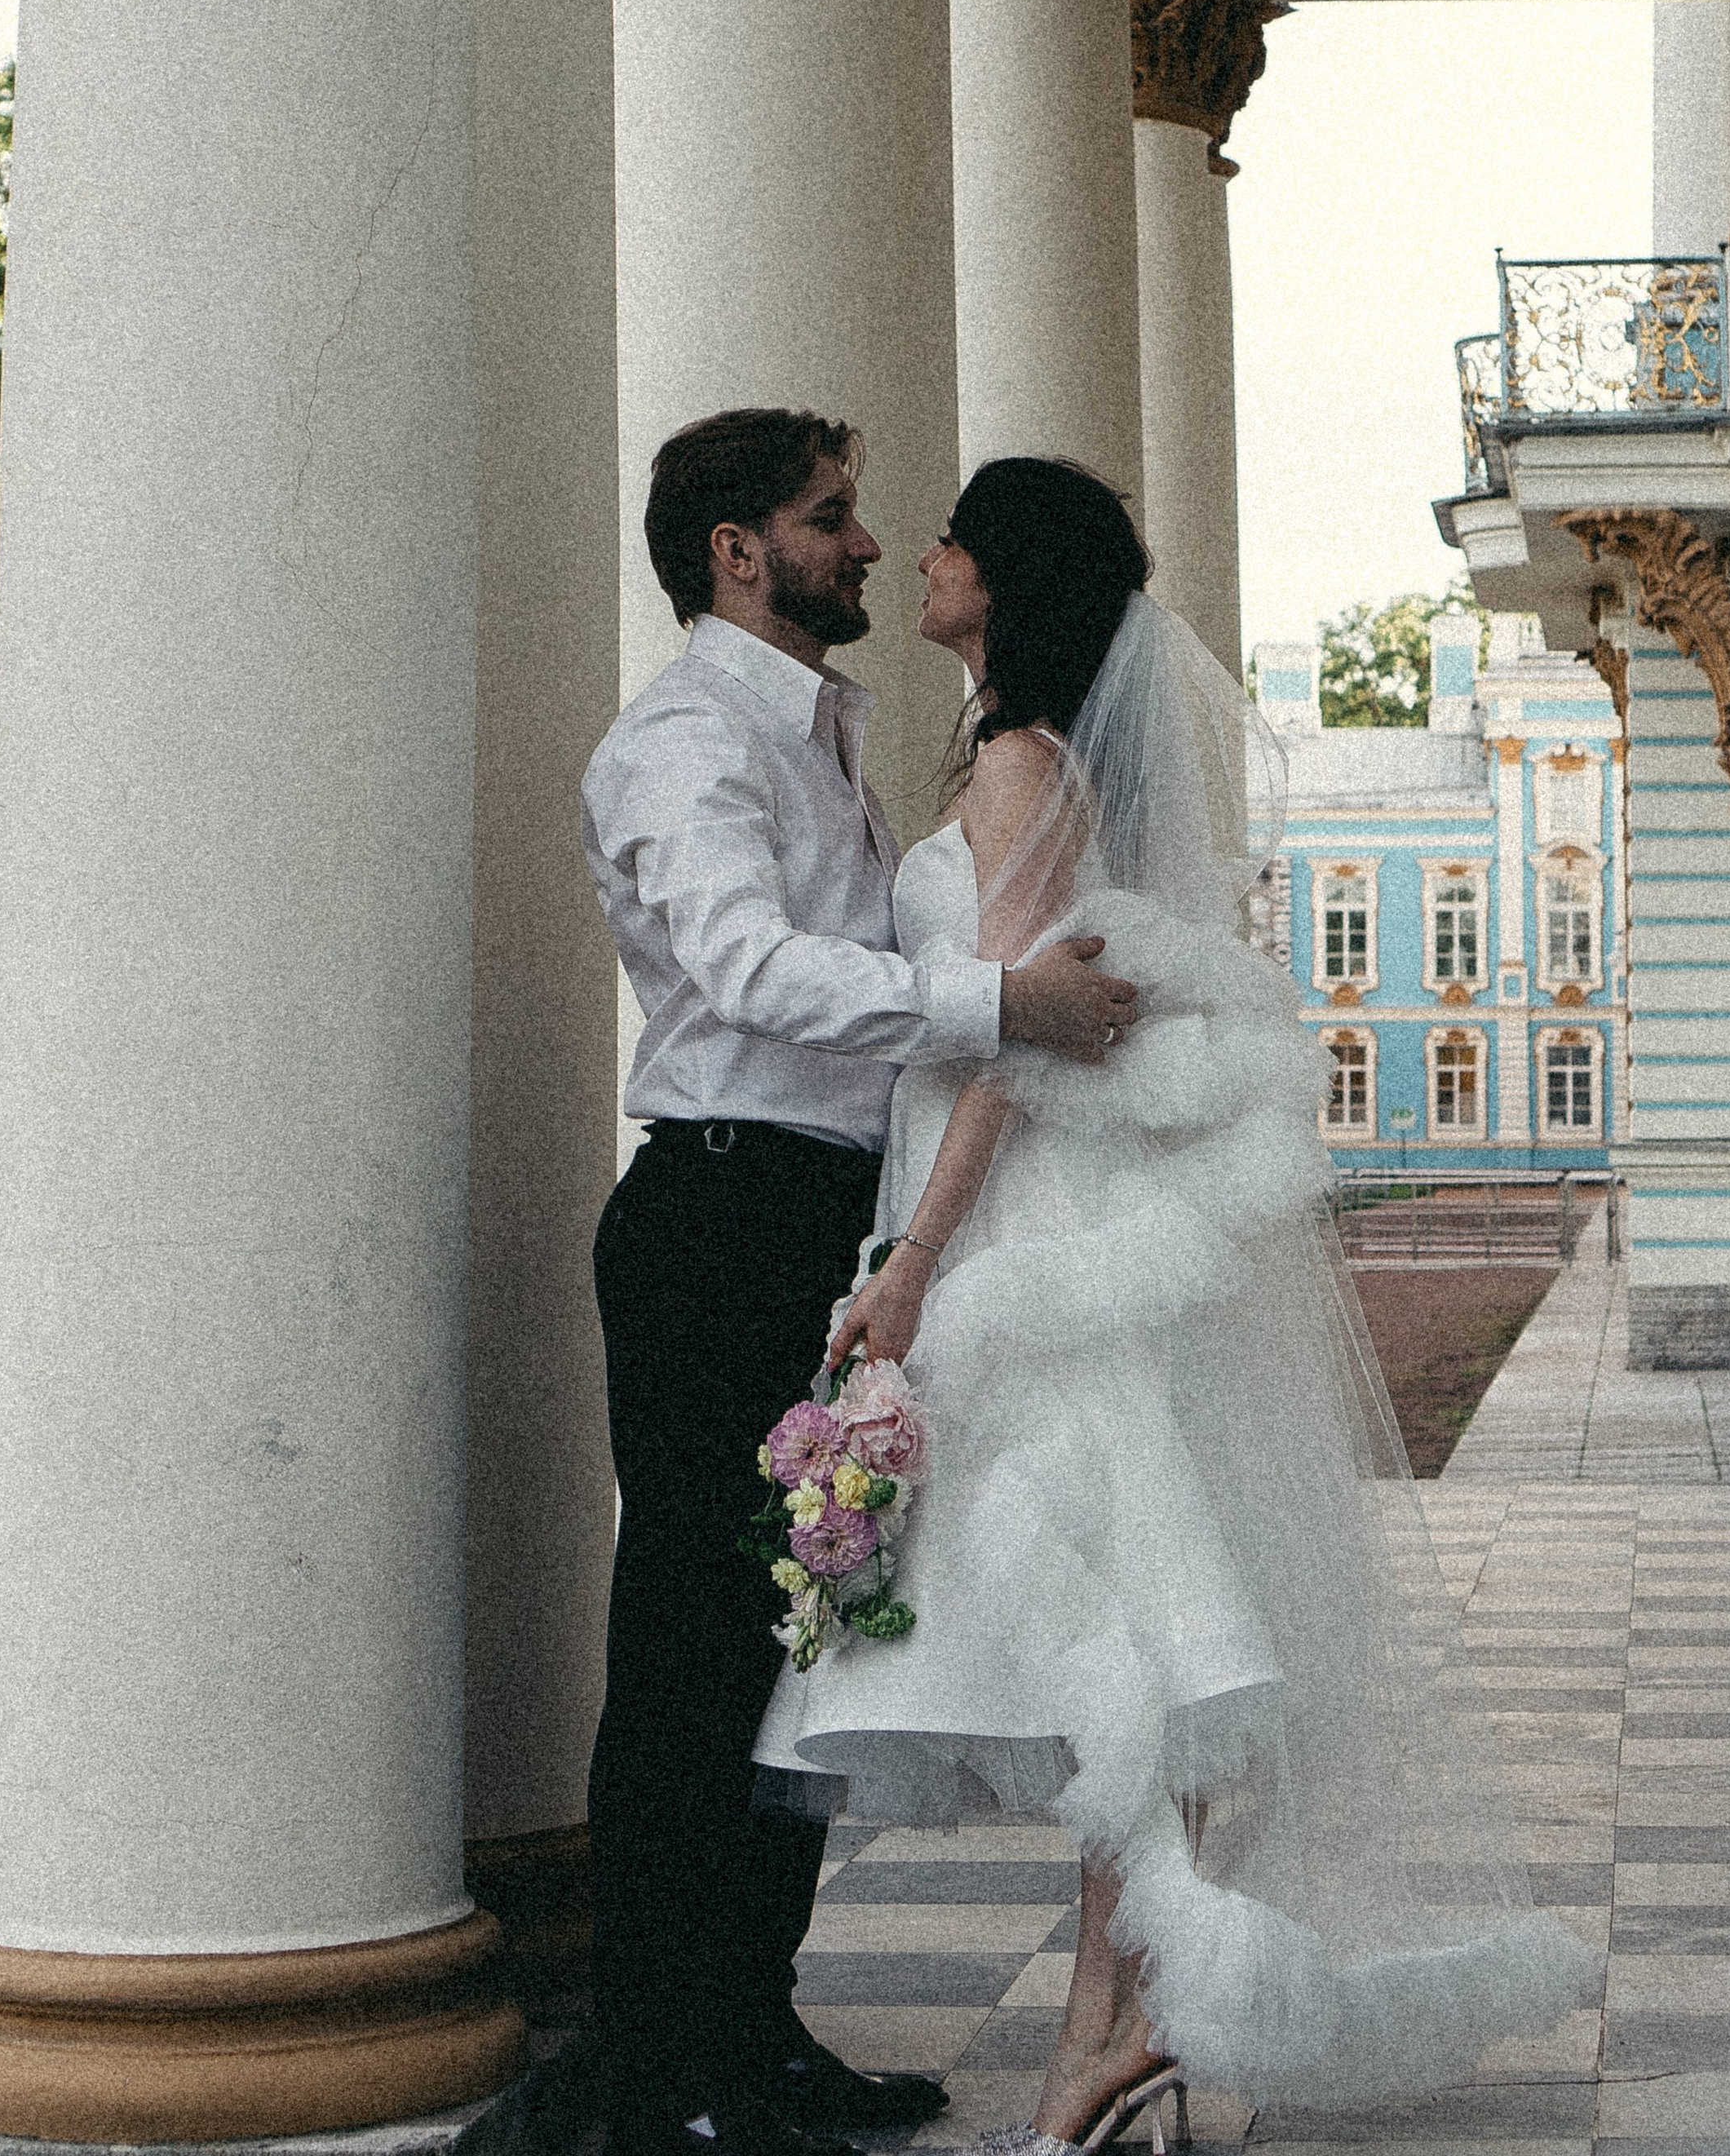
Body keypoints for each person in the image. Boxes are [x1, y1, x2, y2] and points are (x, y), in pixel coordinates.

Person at [754, 457, 1602, 2148]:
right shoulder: (1055, 761)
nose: (917, 556)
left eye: (949, 537)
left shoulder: (1012, 764)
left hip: (1026, 1240)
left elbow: (1011, 1041)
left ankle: (1113, 2023)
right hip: (1069, 1225)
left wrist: (912, 1264)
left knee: (1121, 1641)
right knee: (1134, 1640)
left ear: (1004, 580)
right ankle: (1116, 2021)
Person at [581, 410, 1139, 2156]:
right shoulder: (684, 745)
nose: (870, 544)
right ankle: (657, 2062)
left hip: (812, 1216)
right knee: (689, 1655)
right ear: (735, 549)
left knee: (787, 1644)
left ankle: (750, 2037)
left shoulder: (821, 736)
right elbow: (742, 971)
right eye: (833, 518)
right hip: (718, 1215)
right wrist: (1002, 1010)